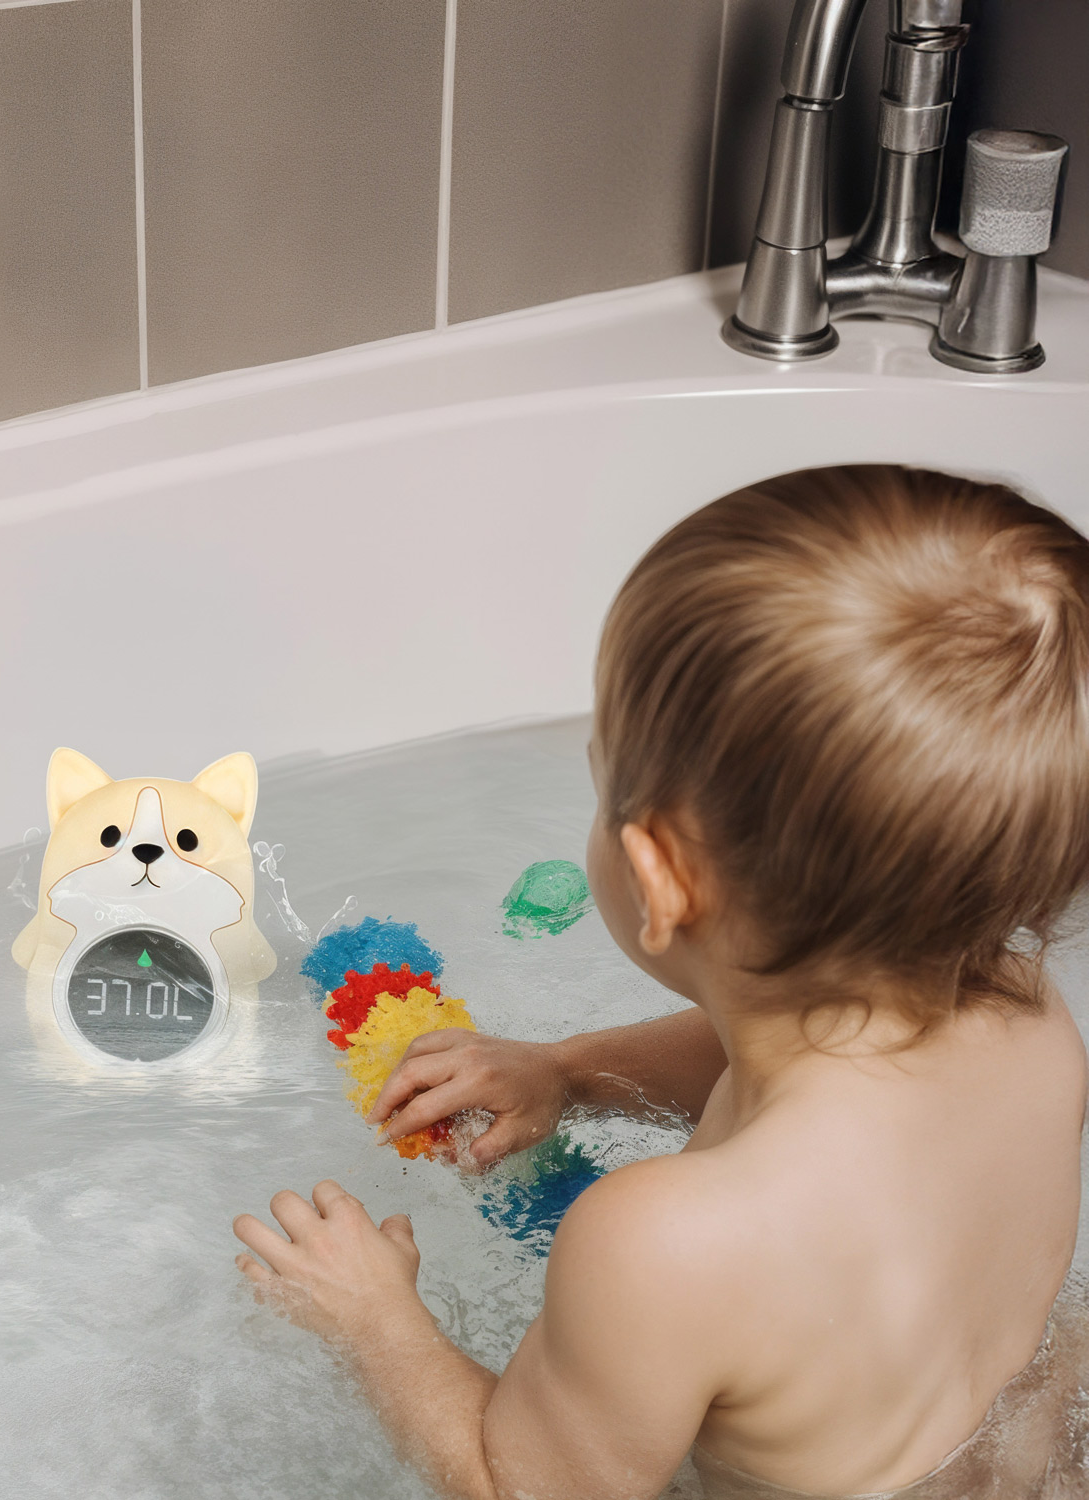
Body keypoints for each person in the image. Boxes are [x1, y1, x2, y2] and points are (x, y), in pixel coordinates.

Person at [233, 465, 1089, 1499]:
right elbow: (778, 1054)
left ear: (658, 877)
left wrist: (376, 1322)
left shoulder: (661, 1243)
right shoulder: (1030, 1016)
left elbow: (522, 1488)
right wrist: (570, 1072)